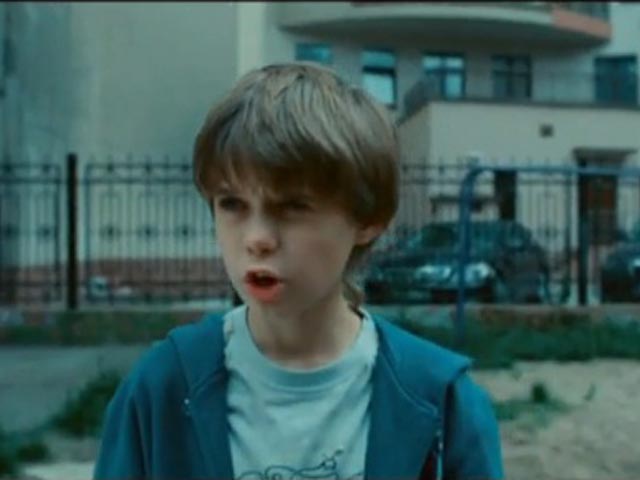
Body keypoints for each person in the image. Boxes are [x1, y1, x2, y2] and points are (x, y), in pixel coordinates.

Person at [93, 62, 503, 480]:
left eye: (292, 207)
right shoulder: (162, 388)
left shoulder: (440, 401)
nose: (257, 239)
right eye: (232, 204)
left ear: (368, 219)